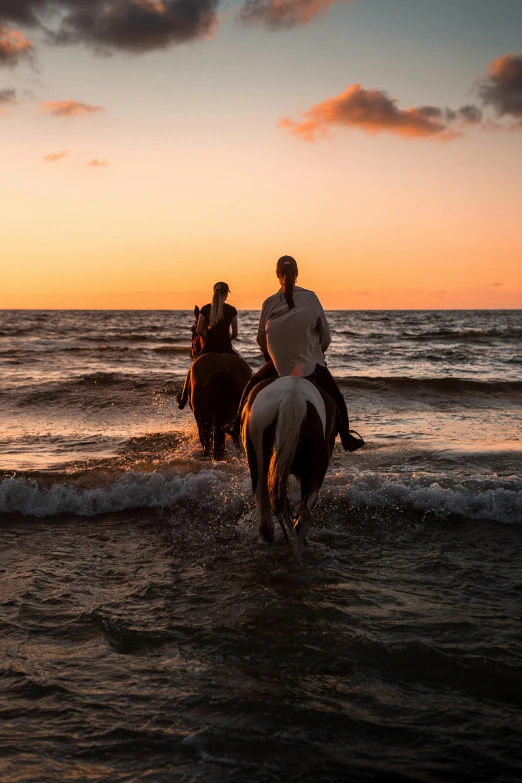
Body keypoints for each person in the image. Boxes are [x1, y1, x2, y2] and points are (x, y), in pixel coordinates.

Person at [223, 256, 364, 452]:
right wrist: (318, 352)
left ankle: (236, 424)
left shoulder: (269, 302)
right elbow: (326, 337)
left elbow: (260, 339)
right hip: (310, 362)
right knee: (336, 397)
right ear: (297, 274)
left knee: (251, 385)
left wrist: (272, 356)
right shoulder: (311, 298)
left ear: (277, 275)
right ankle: (347, 438)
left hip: (279, 363)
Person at [176, 281, 238, 409]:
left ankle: (182, 399)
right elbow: (235, 333)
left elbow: (198, 330)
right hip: (226, 348)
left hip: (209, 347)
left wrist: (206, 337)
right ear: (226, 294)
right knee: (244, 370)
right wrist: (229, 338)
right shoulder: (231, 310)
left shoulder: (205, 309)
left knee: (192, 370)